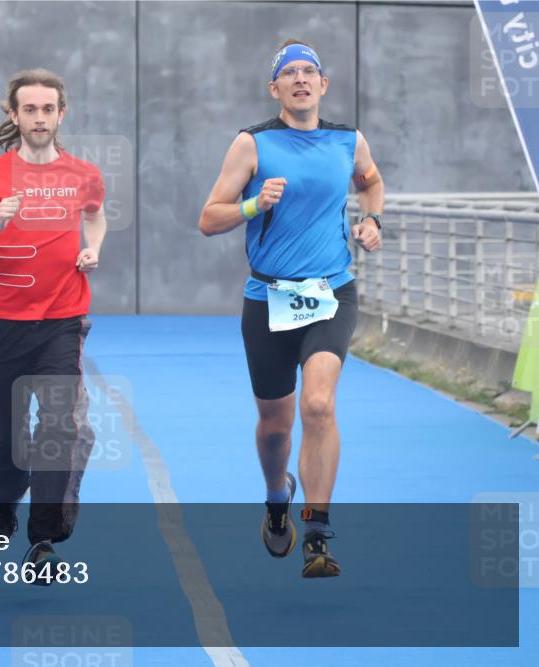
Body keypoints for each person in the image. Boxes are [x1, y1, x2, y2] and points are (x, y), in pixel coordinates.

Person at [198, 40, 384, 578]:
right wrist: (256, 203)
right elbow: (209, 218)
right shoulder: (251, 144)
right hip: (269, 297)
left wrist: (374, 222)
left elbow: (371, 182)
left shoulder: (348, 139)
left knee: (319, 405)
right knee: (275, 426)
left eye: (310, 72)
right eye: (289, 73)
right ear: (274, 88)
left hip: (330, 291)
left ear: (323, 86)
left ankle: (317, 533)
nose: (300, 80)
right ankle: (277, 497)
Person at [0, 68, 107, 580]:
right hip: (6, 325)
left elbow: (97, 213)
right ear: (13, 114)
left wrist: (93, 247)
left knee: (59, 425)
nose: (39, 118)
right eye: (30, 109)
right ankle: (2, 500)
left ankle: (44, 538)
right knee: (14, 431)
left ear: (61, 114)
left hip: (64, 320)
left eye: (48, 109)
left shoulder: (83, 174)